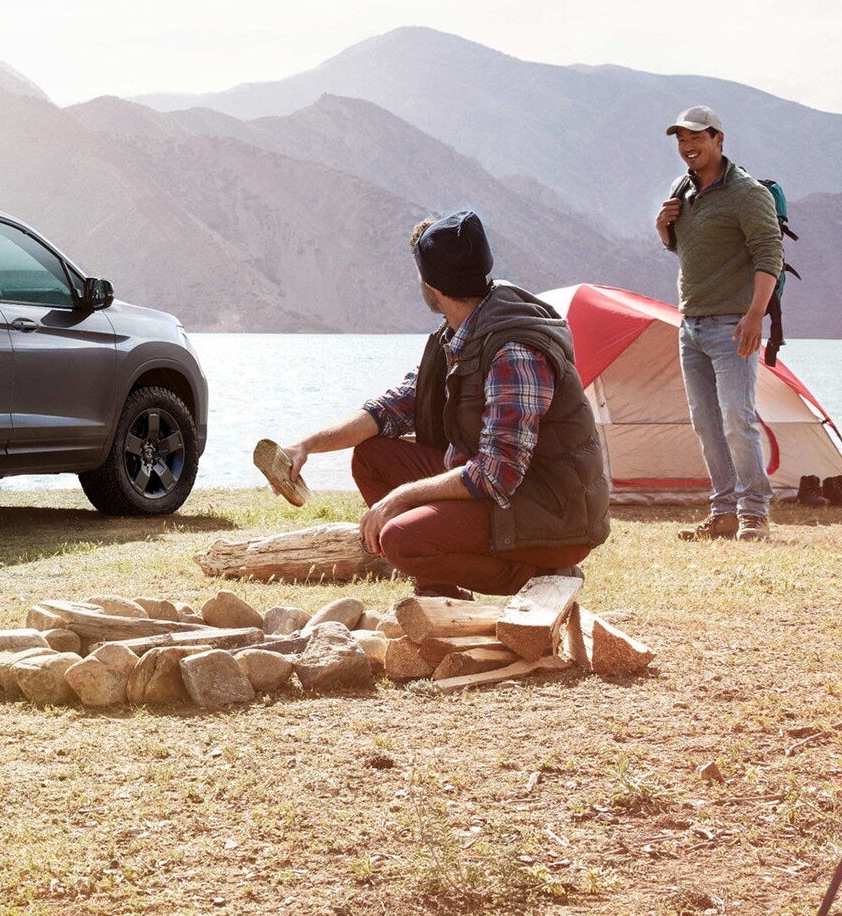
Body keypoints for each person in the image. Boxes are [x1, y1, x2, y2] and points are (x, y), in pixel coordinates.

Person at [266, 211, 610, 597]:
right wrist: (305, 445)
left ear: (431, 284)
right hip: (515, 496)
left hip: (552, 515)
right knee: (372, 457)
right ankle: (439, 593)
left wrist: (401, 498)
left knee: (399, 538)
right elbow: (389, 410)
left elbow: (497, 474)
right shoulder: (461, 334)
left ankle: (541, 574)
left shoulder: (513, 350)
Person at [655, 106, 783, 542]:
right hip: (689, 325)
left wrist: (754, 316)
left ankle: (754, 513)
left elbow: (770, 255)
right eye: (680, 140)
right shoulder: (683, 190)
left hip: (733, 324)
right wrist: (663, 228)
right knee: (706, 424)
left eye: (696, 138)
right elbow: (686, 251)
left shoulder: (747, 194)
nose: (687, 146)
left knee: (737, 419)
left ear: (718, 139)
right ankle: (723, 511)